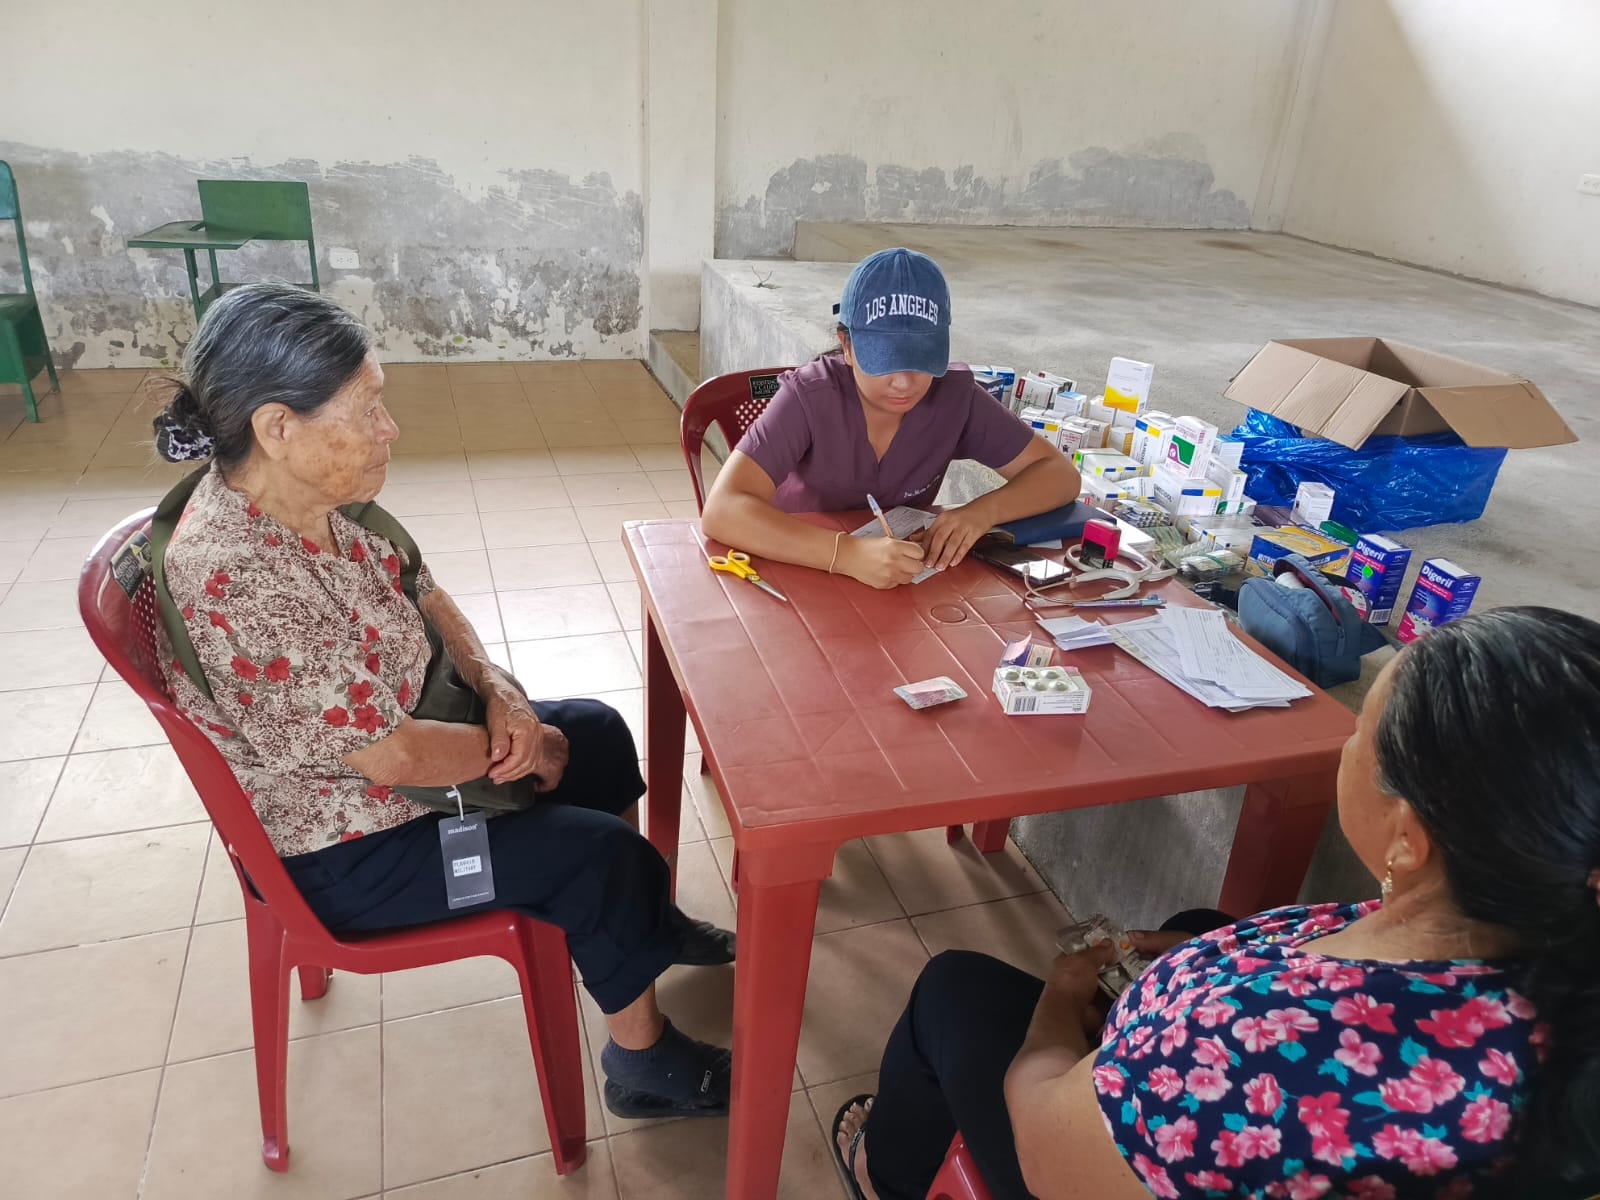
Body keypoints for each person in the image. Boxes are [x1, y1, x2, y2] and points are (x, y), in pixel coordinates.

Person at [149, 282, 735, 1120]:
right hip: (349, 851)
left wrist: (502, 694)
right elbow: (392, 757)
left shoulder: (312, 499)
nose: (390, 428)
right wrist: (523, 750)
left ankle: (641, 928)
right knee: (595, 854)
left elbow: (422, 589)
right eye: (368, 409)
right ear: (277, 427)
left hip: (402, 762)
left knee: (598, 733)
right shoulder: (237, 578)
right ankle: (642, 1062)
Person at [833, 607, 1600, 1199]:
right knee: (1198, 925)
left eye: (1359, 734)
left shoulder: (1238, 1049)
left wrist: (1063, 1001)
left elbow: (1044, 1146)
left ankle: (885, 1174)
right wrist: (1206, 961)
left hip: (1082, 1152)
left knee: (953, 988)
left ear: (1408, 838)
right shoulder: (1559, 946)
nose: (1344, 746)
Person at [700, 248, 1081, 590]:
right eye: (884, 362)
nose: (903, 383)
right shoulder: (809, 397)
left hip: (893, 579)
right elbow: (722, 510)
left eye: (920, 361)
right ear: (847, 346)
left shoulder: (955, 398)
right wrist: (845, 555)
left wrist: (981, 512)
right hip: (795, 565)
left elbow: (1059, 475)